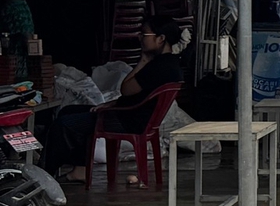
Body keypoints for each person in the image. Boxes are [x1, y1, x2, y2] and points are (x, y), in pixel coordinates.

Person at [44, 15, 184, 185]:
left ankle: (44, 175)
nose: (140, 38)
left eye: (144, 34)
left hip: (124, 120)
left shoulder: (159, 66)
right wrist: (112, 103)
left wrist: (143, 61)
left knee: (63, 125)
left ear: (160, 38)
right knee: (68, 111)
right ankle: (80, 169)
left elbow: (126, 89)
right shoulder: (171, 63)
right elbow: (140, 97)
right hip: (130, 115)